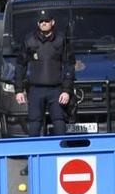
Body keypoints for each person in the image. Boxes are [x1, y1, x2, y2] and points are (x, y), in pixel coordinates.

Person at [16, 8, 75, 136]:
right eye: (41, 21)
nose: (44, 23)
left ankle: (60, 152)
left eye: (46, 21)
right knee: (34, 122)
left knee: (59, 121)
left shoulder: (61, 40)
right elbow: (20, 65)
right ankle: (34, 153)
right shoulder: (29, 40)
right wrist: (19, 90)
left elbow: (69, 66)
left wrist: (66, 90)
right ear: (38, 23)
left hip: (56, 90)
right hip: (35, 90)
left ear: (52, 22)